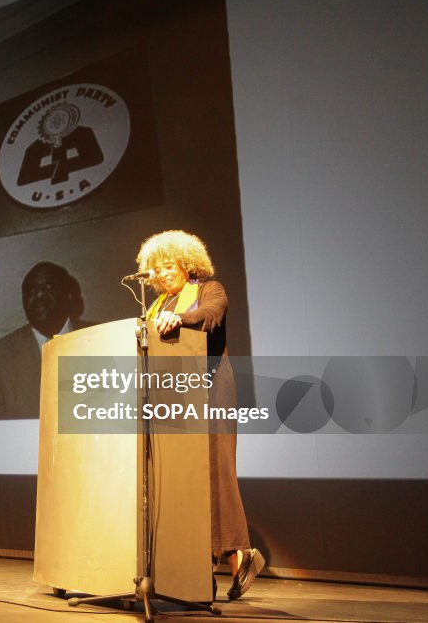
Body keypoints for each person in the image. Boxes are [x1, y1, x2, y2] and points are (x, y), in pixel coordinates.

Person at [136, 229, 264, 600]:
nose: (160, 275)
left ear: (186, 263)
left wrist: (181, 319)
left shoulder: (210, 290)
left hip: (210, 389)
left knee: (216, 470)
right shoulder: (157, 306)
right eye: (154, 270)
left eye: (167, 266)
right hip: (174, 398)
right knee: (185, 479)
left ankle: (236, 553)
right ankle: (201, 565)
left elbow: (210, 317)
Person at [0, 262, 86, 420]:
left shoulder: (107, 339)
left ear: (68, 294)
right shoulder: (1, 354)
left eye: (48, 287)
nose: (39, 296)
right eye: (31, 291)